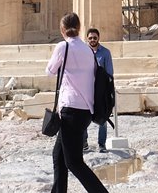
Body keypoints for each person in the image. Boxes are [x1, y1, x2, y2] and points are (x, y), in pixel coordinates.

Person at [45, 13, 109, 193]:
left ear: (62, 29)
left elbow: (50, 71)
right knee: (58, 157)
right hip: (85, 111)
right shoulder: (88, 50)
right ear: (80, 28)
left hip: (70, 110)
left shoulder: (62, 46)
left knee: (74, 162)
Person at [83, 28, 113, 153]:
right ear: (87, 39)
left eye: (94, 38)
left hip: (100, 90)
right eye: (90, 38)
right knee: (83, 116)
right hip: (86, 88)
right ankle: (84, 143)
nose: (92, 40)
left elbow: (109, 72)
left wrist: (109, 91)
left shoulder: (105, 53)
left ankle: (102, 144)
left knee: (103, 116)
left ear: (98, 38)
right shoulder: (83, 52)